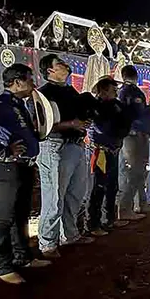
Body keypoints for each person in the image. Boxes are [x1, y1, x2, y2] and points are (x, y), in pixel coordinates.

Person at [0, 64, 52, 284]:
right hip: (9, 168)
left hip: (24, 166)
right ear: (17, 82)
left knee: (21, 215)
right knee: (5, 218)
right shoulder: (2, 104)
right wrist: (3, 150)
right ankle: (3, 267)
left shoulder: (19, 105)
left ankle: (23, 257)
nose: (33, 84)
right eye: (29, 79)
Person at [37, 54, 93, 259]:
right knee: (54, 196)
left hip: (76, 145)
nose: (65, 66)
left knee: (75, 193)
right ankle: (47, 242)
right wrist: (71, 125)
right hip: (55, 146)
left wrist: (84, 120)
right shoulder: (43, 94)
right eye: (59, 64)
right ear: (50, 71)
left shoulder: (70, 91)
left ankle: (69, 234)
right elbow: (41, 126)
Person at [85, 76, 133, 236]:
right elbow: (103, 128)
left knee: (112, 185)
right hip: (100, 151)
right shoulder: (95, 106)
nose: (116, 91)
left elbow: (126, 123)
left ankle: (110, 218)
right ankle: (93, 223)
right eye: (113, 89)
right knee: (98, 187)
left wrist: (119, 132)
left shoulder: (116, 105)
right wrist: (118, 131)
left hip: (113, 149)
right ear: (103, 90)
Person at [118, 65, 150, 216]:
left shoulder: (123, 92)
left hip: (135, 134)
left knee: (139, 170)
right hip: (133, 135)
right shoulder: (131, 92)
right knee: (135, 171)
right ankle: (125, 208)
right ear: (136, 76)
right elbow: (138, 115)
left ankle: (141, 203)